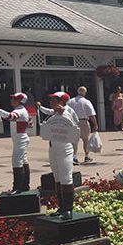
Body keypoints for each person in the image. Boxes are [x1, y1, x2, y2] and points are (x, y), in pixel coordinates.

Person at [37, 92, 79, 220]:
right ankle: (61, 207)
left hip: (64, 148)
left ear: (61, 101)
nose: (51, 102)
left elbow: (74, 126)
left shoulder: (67, 111)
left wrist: (63, 114)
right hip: (53, 148)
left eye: (54, 100)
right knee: (57, 178)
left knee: (66, 178)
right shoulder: (54, 113)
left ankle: (69, 209)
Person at [0, 93, 31, 195]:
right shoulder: (23, 110)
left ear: (19, 101)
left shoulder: (19, 111)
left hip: (20, 139)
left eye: (14, 99)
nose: (11, 100)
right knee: (23, 161)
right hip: (21, 138)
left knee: (16, 162)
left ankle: (17, 187)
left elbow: (10, 117)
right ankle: (24, 185)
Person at [67, 86, 98, 164]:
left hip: (73, 122)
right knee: (85, 140)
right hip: (83, 122)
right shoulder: (86, 102)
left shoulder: (70, 101)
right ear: (84, 92)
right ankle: (86, 156)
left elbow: (66, 113)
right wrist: (95, 124)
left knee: (74, 141)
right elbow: (91, 115)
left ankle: (74, 157)